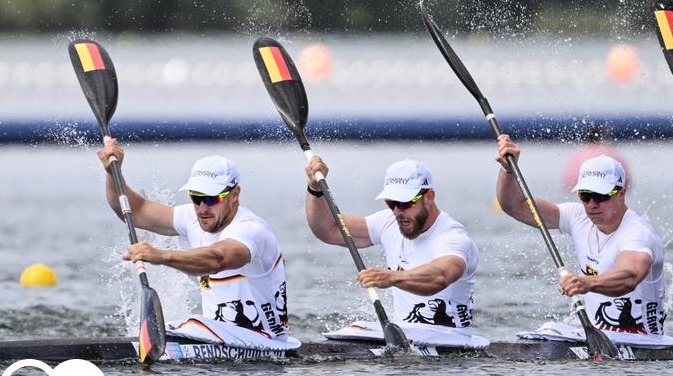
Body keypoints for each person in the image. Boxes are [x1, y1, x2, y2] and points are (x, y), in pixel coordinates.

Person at [97, 138, 299, 349]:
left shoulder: (251, 230)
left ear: (235, 194)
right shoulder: (191, 217)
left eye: (212, 198)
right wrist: (114, 173)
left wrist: (160, 256)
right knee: (168, 326)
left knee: (190, 324)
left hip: (266, 342)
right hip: (219, 339)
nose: (202, 208)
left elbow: (217, 259)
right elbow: (135, 211)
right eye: (196, 197)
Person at [495, 134, 673, 347]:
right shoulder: (578, 216)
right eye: (585, 195)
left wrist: (588, 282)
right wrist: (508, 170)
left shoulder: (638, 233)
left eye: (600, 196)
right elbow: (515, 207)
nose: (591, 204)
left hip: (643, 342)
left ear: (622, 193)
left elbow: (630, 276)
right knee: (547, 329)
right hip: (600, 340)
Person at [304, 157, 488, 348]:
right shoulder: (387, 223)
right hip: (405, 339)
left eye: (405, 203)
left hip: (449, 340)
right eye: (391, 203)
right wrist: (315, 189)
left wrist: (392, 278)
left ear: (429, 197)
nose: (398, 212)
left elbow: (440, 276)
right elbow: (328, 229)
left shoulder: (453, 237)